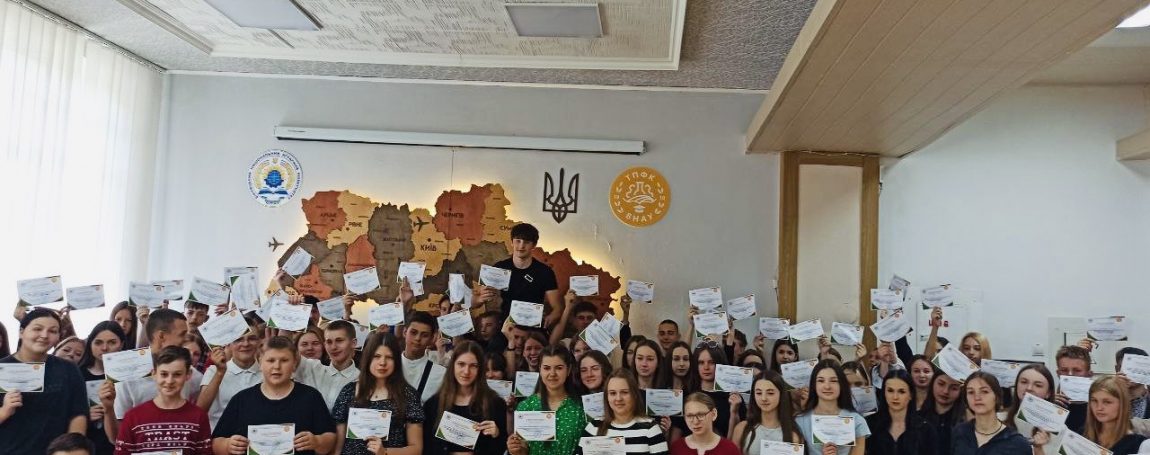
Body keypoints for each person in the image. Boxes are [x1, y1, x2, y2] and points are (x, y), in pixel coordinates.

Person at [212, 336, 337, 455]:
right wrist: (228, 445)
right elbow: (217, 442)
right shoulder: (241, 399)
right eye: (271, 360)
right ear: (260, 362)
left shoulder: (311, 397)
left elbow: (330, 438)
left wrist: (317, 441)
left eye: (284, 360)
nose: (277, 366)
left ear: (294, 363)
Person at [0, 308, 88, 455]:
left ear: (58, 337)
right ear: (21, 332)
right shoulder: (2, 368)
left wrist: (72, 451)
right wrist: (4, 410)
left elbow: (78, 414)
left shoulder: (68, 369)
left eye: (53, 331)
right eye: (37, 329)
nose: (44, 335)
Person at [109, 309, 200, 432]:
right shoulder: (127, 374)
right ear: (161, 336)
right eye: (182, 334)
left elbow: (204, 398)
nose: (185, 340)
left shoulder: (188, 370)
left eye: (177, 375)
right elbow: (119, 430)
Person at [332, 332, 424, 455]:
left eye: (389, 357)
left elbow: (416, 449)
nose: (382, 362)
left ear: (396, 361)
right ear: (368, 358)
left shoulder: (408, 395)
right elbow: (338, 447)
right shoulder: (348, 391)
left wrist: (385, 452)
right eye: (377, 356)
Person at [111, 346, 211, 454]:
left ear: (188, 375)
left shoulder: (199, 416)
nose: (169, 381)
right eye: (164, 374)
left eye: (177, 374)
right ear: (154, 374)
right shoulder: (133, 417)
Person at [423, 341, 507, 455]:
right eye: (461, 364)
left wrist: (496, 435)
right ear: (452, 366)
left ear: (480, 369)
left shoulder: (495, 403)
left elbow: (501, 449)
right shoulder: (433, 404)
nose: (466, 371)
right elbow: (427, 447)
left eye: (473, 366)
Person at [478, 223, 562, 329]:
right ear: (512, 242)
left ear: (534, 245)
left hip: (533, 327)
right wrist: (483, 295)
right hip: (506, 325)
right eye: (518, 241)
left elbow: (558, 308)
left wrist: (552, 317)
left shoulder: (545, 272)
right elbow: (480, 298)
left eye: (526, 242)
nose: (521, 246)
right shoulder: (500, 267)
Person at [508, 345, 586, 455]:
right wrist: (516, 449)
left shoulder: (580, 407)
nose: (552, 373)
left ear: (568, 370)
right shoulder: (526, 406)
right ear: (540, 369)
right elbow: (523, 449)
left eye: (559, 368)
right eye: (546, 368)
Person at [576, 369, 669, 454]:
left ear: (634, 395)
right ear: (607, 397)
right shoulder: (594, 426)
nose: (618, 398)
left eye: (624, 392)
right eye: (613, 393)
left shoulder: (651, 429)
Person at [795, 359, 870, 455]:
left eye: (834, 381)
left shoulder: (857, 421)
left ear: (842, 384)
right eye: (821, 381)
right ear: (814, 384)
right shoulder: (801, 421)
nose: (827, 386)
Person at [77, 321, 126, 455]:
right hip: (88, 444)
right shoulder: (77, 374)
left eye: (112, 342)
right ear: (90, 344)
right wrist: (84, 415)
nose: (104, 348)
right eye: (98, 343)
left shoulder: (130, 375)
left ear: (121, 344)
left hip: (123, 442)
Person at [951, 372, 1030, 455]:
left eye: (984, 391)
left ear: (997, 397)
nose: (977, 397)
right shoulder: (959, 432)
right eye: (971, 392)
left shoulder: (1018, 443)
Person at [197, 330, 262, 428]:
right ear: (229, 344)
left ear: (259, 342)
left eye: (252, 338)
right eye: (238, 339)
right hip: (220, 435)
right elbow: (200, 410)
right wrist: (220, 372)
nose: (246, 344)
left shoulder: (267, 372)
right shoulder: (213, 371)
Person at [864, 370, 937, 455]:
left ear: (911, 395)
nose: (895, 397)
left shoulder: (926, 429)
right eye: (890, 391)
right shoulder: (869, 424)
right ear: (884, 393)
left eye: (901, 392)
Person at [295, 319, 361, 411]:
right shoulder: (312, 368)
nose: (333, 347)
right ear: (324, 344)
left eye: (339, 341)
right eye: (329, 342)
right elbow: (284, 350)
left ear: (353, 343)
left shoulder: (362, 379)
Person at [731, 372, 803, 455]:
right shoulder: (742, 428)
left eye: (770, 393)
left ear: (781, 394)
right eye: (759, 393)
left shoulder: (793, 435)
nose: (763, 398)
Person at [1083, 376, 1150, 454]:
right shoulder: (1083, 433)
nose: (1099, 407)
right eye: (1094, 401)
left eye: (1107, 402)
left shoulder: (1138, 444)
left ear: (1122, 404)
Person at [1003, 364, 1056, 454]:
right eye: (1024, 382)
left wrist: (1038, 449)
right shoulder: (998, 418)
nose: (1029, 388)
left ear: (1048, 393)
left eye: (1038, 385)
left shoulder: (1057, 429)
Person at [669, 392, 741, 455]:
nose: (695, 422)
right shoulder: (676, 448)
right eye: (690, 416)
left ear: (714, 414)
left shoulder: (730, 449)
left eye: (701, 415)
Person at [398, 312, 446, 404]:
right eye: (413, 332)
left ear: (432, 338)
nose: (418, 338)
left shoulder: (441, 374)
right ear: (405, 332)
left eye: (424, 335)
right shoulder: (389, 367)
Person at [921, 372, 965, 455]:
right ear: (933, 383)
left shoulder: (966, 423)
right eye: (941, 384)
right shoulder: (918, 418)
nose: (945, 391)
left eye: (954, 388)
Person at [1055, 345, 1093, 433]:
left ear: (1089, 374)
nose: (1070, 374)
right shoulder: (1051, 403)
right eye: (1064, 370)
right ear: (1058, 373)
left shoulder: (1097, 405)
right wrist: (1051, 407)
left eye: (1077, 370)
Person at [1115, 347, 1150, 419]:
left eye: (1137, 367)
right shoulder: (1105, 398)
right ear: (1117, 369)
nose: (1131, 372)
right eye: (1126, 367)